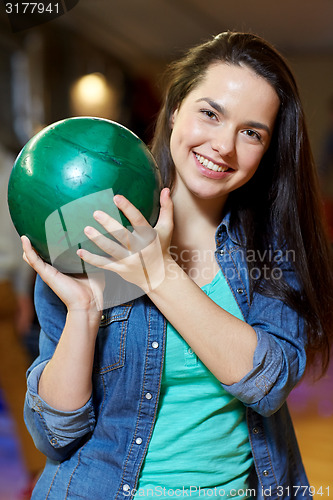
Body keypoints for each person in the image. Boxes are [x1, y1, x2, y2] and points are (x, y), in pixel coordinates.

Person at [21, 32, 333, 499]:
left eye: (252, 132)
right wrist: (84, 314)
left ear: (268, 150)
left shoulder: (272, 248)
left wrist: (160, 273)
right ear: (176, 108)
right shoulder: (91, 232)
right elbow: (56, 437)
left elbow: (266, 382)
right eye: (210, 113)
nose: (223, 146)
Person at [0, 143, 45, 497]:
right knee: (16, 379)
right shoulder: (8, 167)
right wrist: (19, 294)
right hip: (3, 280)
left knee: (16, 377)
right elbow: (16, 239)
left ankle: (36, 467)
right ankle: (35, 467)